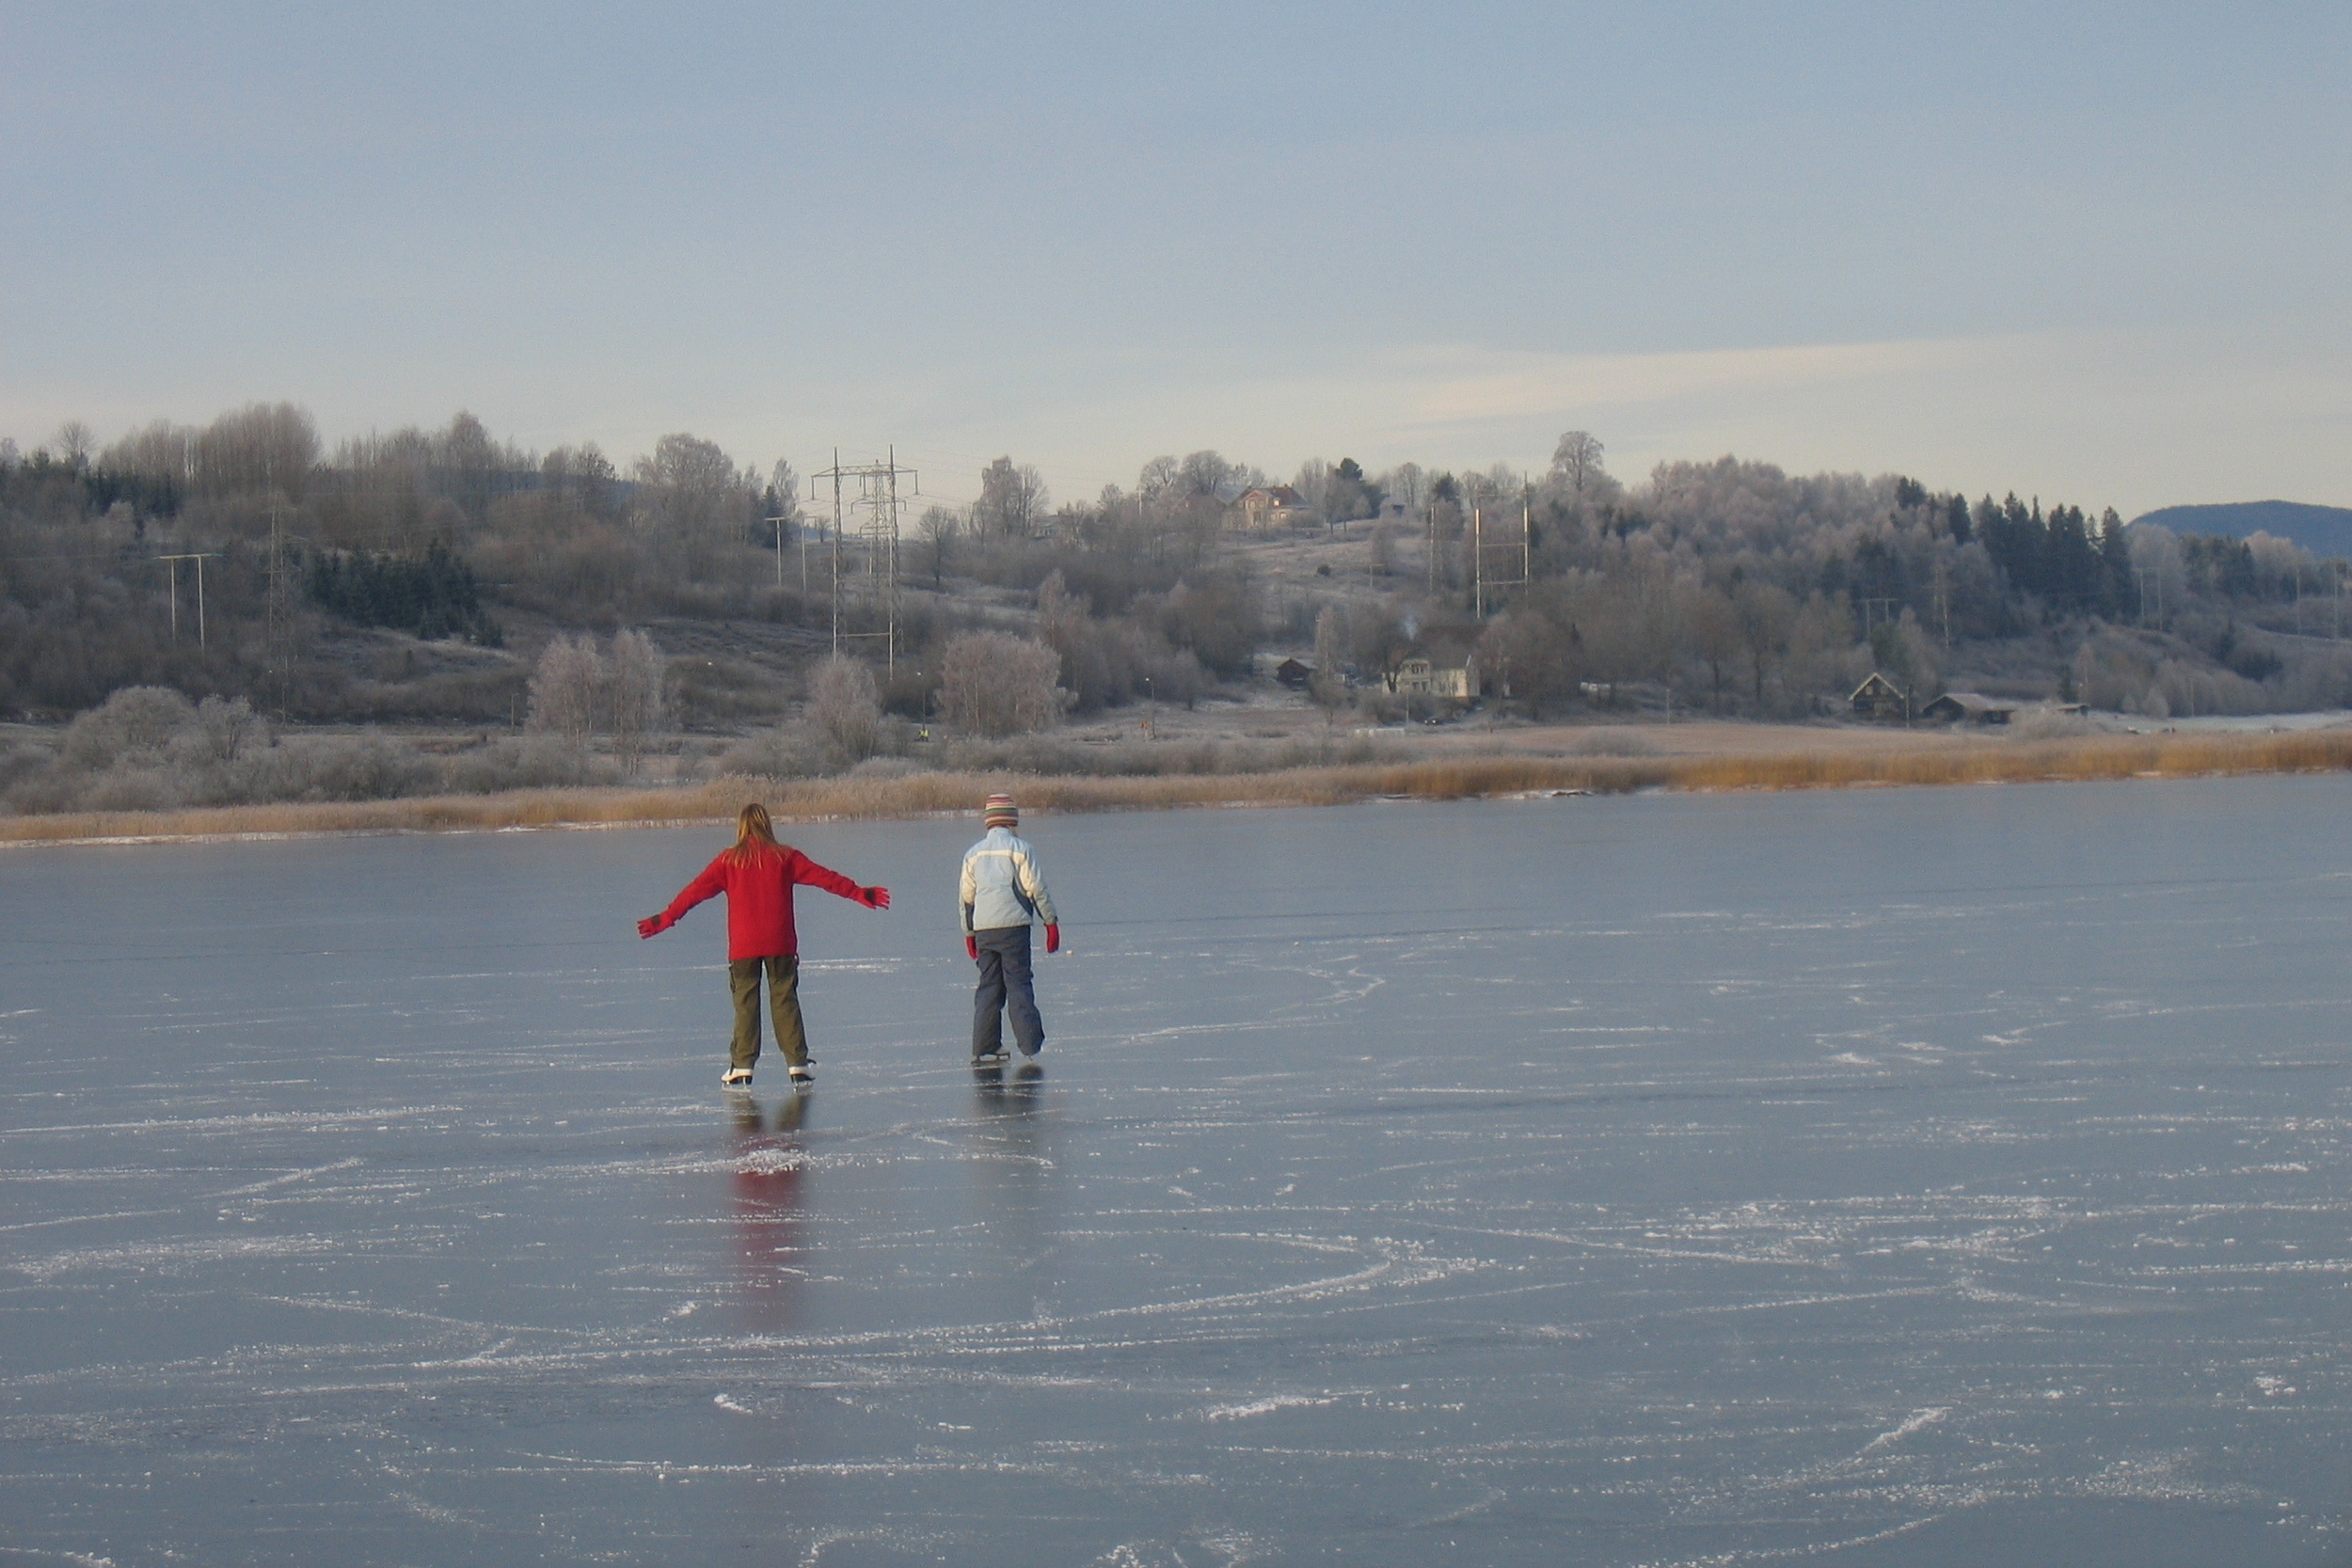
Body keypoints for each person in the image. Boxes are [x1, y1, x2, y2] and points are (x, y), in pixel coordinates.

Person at [639, 802, 889, 1087]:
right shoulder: (785, 857)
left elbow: (694, 892)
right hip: (780, 941)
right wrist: (859, 892)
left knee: (745, 1002)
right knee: (785, 1000)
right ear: (767, 824)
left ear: (741, 827)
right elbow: (825, 878)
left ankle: (742, 1066)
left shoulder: (728, 861)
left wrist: (665, 918)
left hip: (744, 946)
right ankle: (797, 1063)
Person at [959, 792, 1060, 1065]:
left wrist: (969, 933)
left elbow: (966, 898)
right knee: (1018, 983)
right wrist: (1050, 922)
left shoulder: (972, 854)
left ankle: (984, 1046)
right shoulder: (1021, 849)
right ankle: (1030, 1044)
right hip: (1013, 928)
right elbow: (1035, 889)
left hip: (984, 930)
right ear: (1011, 820)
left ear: (989, 822)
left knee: (989, 986)